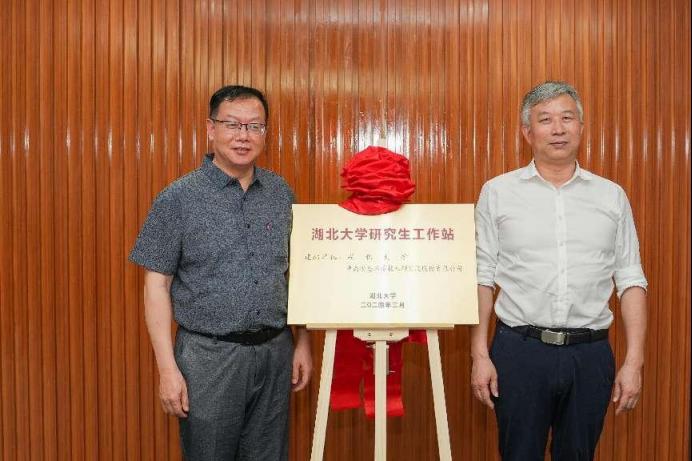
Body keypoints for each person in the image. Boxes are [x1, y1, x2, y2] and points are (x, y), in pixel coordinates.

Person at [129, 85, 312, 461]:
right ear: (211, 129)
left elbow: (297, 275)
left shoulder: (280, 193)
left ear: (265, 132)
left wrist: (303, 343)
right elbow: (156, 285)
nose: (243, 136)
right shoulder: (178, 198)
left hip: (275, 352)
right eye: (232, 124)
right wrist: (167, 369)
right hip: (208, 359)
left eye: (254, 126)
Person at [471, 81, 647, 460]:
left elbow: (631, 279)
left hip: (590, 354)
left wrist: (634, 361)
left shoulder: (611, 196)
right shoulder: (497, 193)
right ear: (527, 132)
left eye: (567, 118)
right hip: (519, 352)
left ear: (581, 127)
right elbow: (482, 277)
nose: (558, 129)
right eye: (545, 119)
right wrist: (480, 354)